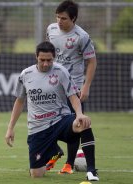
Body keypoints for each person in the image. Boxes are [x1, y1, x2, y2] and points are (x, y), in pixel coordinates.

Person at [5, 41, 99, 181]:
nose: (45, 64)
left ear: (54, 57)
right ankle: (54, 151)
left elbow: (73, 96)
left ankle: (91, 171)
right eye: (42, 60)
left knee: (83, 123)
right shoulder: (26, 74)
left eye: (49, 60)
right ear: (36, 56)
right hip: (37, 129)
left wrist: (79, 114)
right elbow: (19, 101)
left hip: (60, 120)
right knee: (36, 174)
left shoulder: (61, 71)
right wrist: (10, 128)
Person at [45, 0, 97, 174]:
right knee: (46, 122)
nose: (60, 21)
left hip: (73, 88)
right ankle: (55, 152)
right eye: (58, 17)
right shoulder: (51, 30)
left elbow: (91, 61)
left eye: (64, 18)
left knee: (76, 124)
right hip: (52, 86)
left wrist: (86, 86)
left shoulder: (82, 36)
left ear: (74, 19)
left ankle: (68, 164)